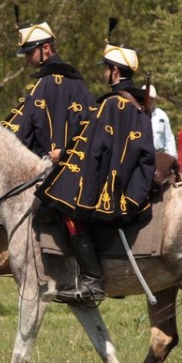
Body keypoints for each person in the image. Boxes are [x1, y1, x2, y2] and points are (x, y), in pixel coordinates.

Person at [35, 33, 156, 303]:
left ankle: (92, 281)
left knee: (66, 205)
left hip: (116, 187)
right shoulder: (138, 103)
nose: (103, 72)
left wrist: (63, 157)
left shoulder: (112, 104)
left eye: (105, 68)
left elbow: (91, 149)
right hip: (131, 179)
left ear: (114, 71)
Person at [0, 19, 95, 164]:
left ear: (46, 48)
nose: (26, 58)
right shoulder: (79, 84)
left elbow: (24, 135)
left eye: (29, 53)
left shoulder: (42, 85)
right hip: (76, 171)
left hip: (44, 174)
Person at [145, 84, 177, 158]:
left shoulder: (162, 115)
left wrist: (172, 158)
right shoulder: (136, 114)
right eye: (147, 98)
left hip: (158, 155)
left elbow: (169, 138)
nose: (149, 101)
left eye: (152, 99)